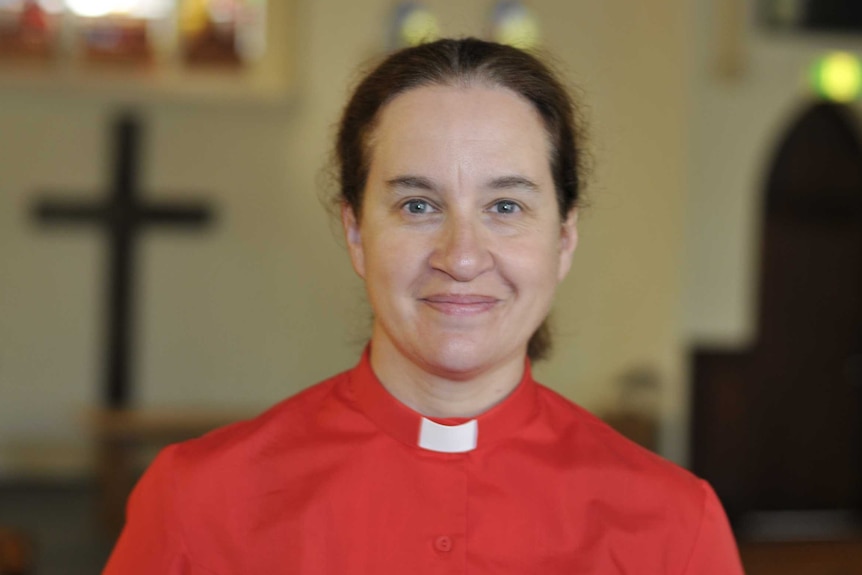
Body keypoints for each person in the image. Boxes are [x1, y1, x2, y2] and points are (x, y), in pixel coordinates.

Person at [103, 38, 744, 574]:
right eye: (417, 205)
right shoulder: (199, 499)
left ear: (564, 239)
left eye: (505, 207)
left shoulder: (674, 527)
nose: (461, 257)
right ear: (356, 233)